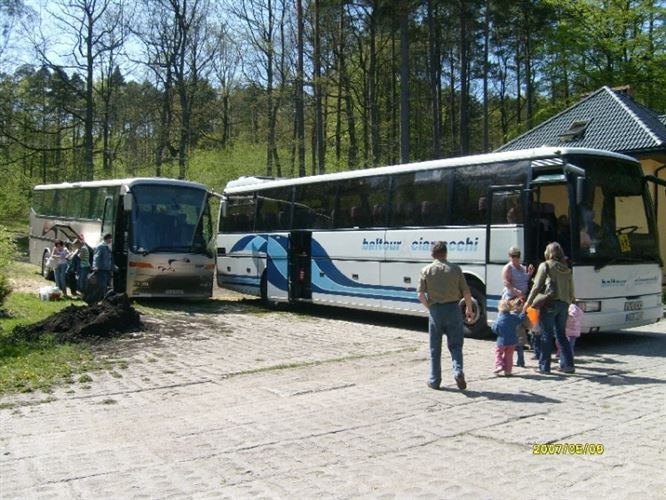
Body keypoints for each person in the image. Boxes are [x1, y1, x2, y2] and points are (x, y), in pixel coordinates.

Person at [418, 241, 474, 391]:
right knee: (456, 345)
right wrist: (469, 308)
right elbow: (466, 291)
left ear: (432, 254)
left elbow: (420, 295)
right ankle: (458, 371)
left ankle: (435, 380)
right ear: (446, 253)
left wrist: (430, 307)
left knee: (435, 347)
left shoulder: (426, 270)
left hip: (436, 311)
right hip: (453, 309)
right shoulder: (455, 269)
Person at [523, 242, 575, 374]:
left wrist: (528, 302)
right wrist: (568, 303)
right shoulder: (566, 268)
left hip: (550, 303)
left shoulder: (545, 265)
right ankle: (569, 365)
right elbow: (571, 291)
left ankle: (544, 367)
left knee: (546, 334)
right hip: (564, 304)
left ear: (549, 252)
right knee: (561, 335)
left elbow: (536, 286)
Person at [492, 299, 527, 376]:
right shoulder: (514, 317)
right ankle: (508, 371)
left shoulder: (499, 319)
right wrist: (524, 312)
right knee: (509, 356)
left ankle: (499, 365)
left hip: (501, 341)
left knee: (498, 353)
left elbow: (494, 328)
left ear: (499, 308)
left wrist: (499, 333)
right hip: (512, 341)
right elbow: (521, 319)